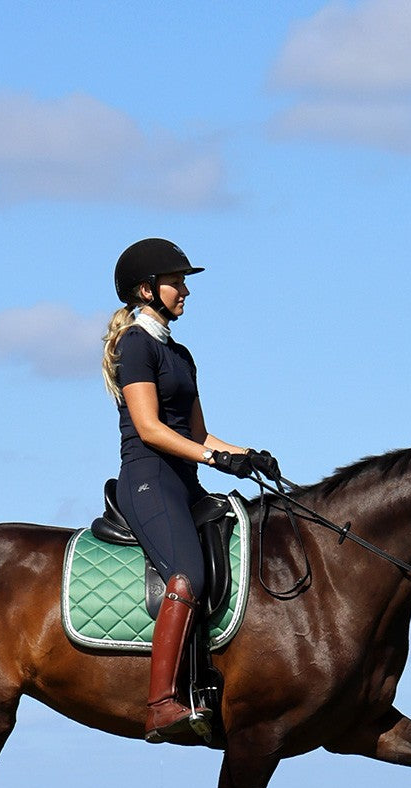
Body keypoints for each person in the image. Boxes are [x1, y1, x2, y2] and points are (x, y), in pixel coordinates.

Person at [101, 238, 280, 743]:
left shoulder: (179, 353)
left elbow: (199, 433)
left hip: (184, 479)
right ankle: (161, 705)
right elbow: (151, 428)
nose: (185, 291)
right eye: (176, 282)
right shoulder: (134, 344)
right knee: (187, 576)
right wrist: (213, 459)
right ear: (146, 289)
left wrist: (245, 454)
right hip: (148, 479)